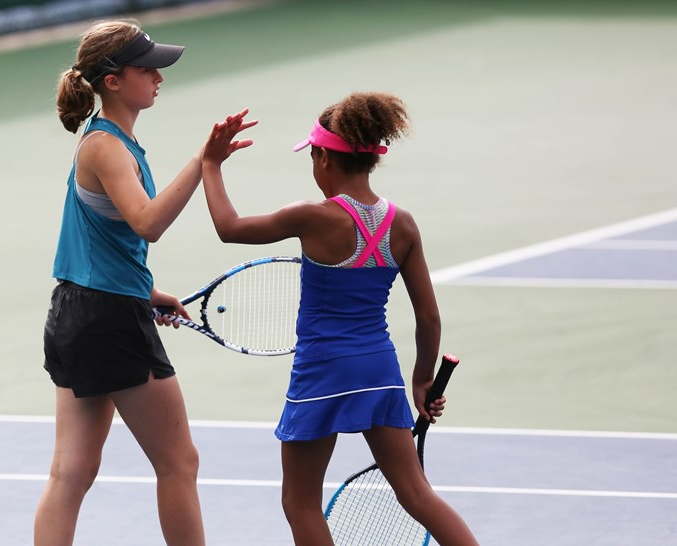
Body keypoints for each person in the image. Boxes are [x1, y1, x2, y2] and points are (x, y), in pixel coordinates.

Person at [200, 93, 480, 545]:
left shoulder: (312, 216)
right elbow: (428, 316)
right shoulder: (402, 224)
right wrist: (422, 380)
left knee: (300, 503)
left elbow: (229, 228)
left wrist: (210, 164)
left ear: (324, 157)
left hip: (323, 371)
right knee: (415, 492)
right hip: (379, 370)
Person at [35, 20, 207, 546]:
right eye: (145, 68)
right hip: (108, 319)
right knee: (178, 462)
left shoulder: (110, 141)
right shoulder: (106, 147)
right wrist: (205, 161)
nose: (158, 76)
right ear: (112, 80)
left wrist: (147, 291)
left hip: (76, 309)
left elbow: (94, 240)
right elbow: (147, 222)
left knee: (72, 471)